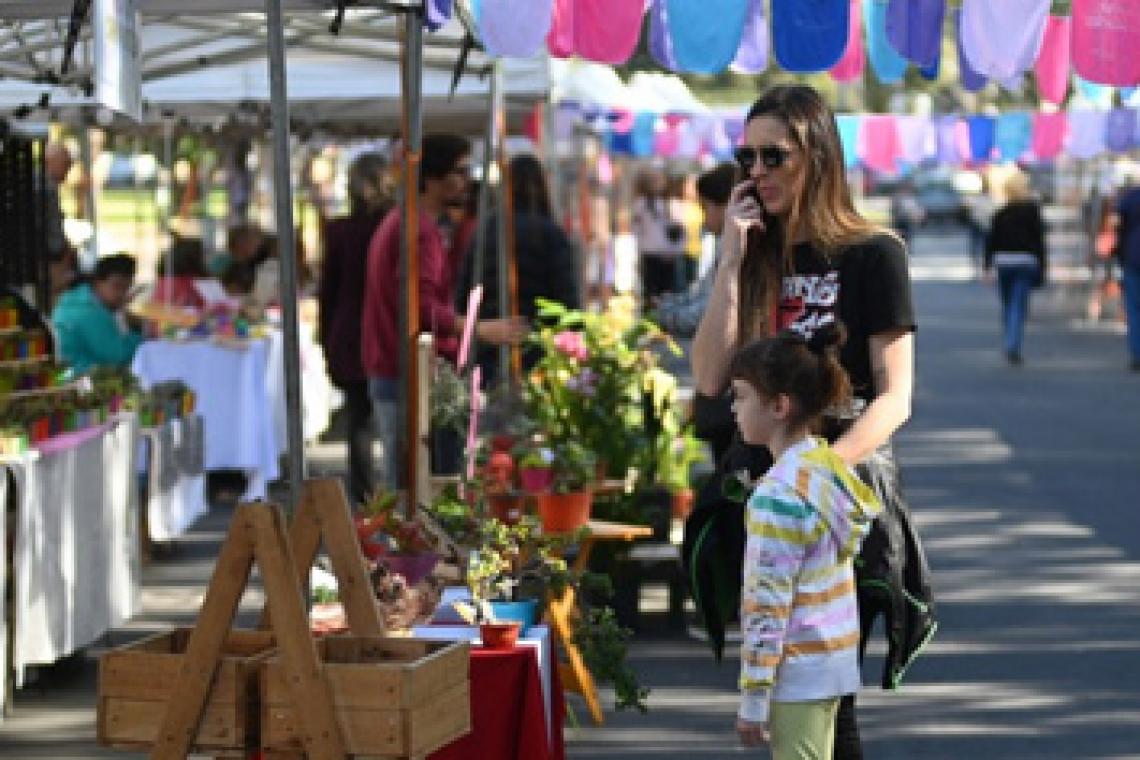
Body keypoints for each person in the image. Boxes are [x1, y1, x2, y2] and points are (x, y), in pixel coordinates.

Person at [685, 84, 936, 760]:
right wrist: (732, 261)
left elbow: (895, 396)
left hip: (832, 486)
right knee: (801, 683)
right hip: (763, 495)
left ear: (818, 157)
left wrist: (815, 472)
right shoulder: (754, 252)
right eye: (748, 156)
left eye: (776, 156)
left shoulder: (873, 253)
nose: (758, 170)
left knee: (824, 684)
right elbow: (711, 378)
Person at [730, 323, 881, 759]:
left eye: (741, 396)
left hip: (795, 673)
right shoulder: (823, 470)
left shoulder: (776, 497)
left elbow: (767, 604)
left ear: (779, 405)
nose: (734, 410)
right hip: (833, 660)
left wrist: (754, 697)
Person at [362, 134, 527, 486]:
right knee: (413, 482)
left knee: (408, 478)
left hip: (396, 365)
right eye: (460, 172)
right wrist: (480, 328)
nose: (467, 180)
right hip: (404, 369)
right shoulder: (416, 229)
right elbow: (419, 308)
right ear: (433, 179)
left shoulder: (409, 223)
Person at [457, 153, 580, 382]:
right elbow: (568, 300)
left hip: (490, 344)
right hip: (540, 350)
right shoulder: (550, 234)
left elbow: (465, 291)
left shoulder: (485, 230)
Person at [319, 151, 393, 504]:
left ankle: (365, 497)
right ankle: (390, 494)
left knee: (360, 420)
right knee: (385, 418)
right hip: (378, 331)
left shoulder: (341, 232)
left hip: (350, 332)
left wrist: (325, 338)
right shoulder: (390, 228)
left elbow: (328, 292)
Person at [653, 162, 737, 465]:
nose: (704, 218)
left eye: (706, 208)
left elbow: (708, 308)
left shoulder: (736, 247)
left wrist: (665, 316)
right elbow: (704, 295)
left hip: (730, 383)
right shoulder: (725, 246)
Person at [984, 172, 1047, 365]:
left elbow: (991, 242)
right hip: (1026, 262)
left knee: (1008, 303)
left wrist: (987, 265)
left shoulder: (1000, 214)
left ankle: (1010, 339)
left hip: (1003, 262)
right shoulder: (1032, 212)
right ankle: (1012, 344)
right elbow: (1039, 242)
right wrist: (1043, 266)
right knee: (1018, 305)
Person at [52, 253, 144, 374]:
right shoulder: (88, 312)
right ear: (97, 282)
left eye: (127, 288)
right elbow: (117, 355)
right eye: (117, 286)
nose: (122, 294)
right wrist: (141, 335)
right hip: (77, 377)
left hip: (66, 373)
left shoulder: (73, 299)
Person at [1114, 178, 1140, 370]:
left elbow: (1119, 227)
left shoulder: (1130, 197)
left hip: (1132, 255)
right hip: (1131, 255)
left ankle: (1137, 352)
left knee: (1133, 308)